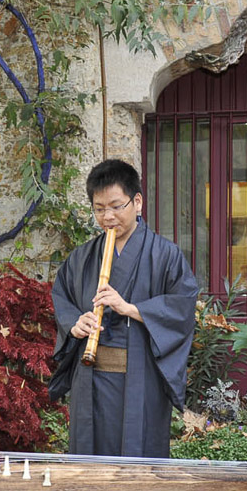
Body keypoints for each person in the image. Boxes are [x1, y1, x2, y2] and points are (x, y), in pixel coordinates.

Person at [50, 159, 199, 458]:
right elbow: (62, 299)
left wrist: (130, 308)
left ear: (137, 202)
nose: (108, 216)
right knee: (90, 459)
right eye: (99, 209)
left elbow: (183, 306)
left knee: (138, 461)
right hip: (90, 378)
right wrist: (75, 325)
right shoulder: (81, 258)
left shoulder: (165, 255)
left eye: (116, 206)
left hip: (140, 379)